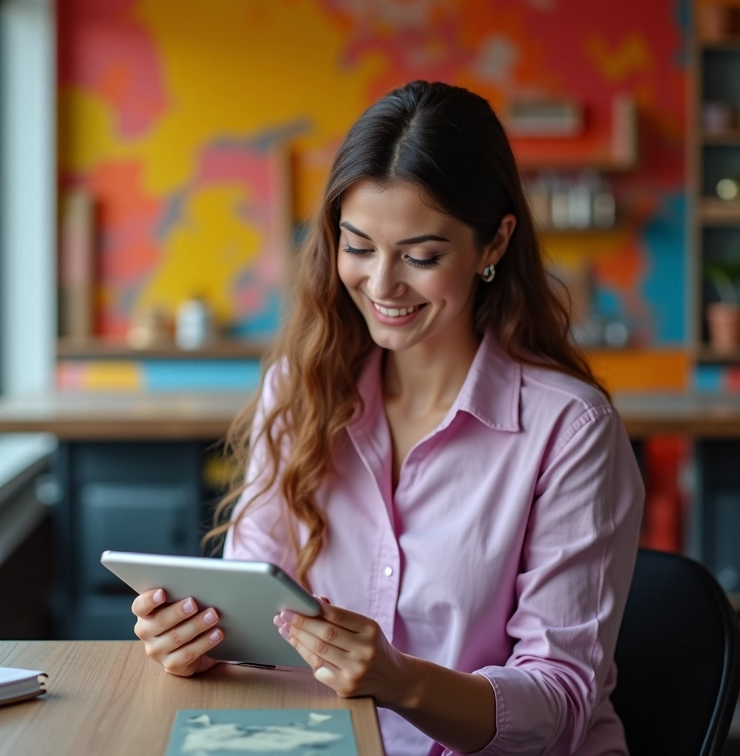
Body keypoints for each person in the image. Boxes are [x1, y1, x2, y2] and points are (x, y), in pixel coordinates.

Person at [132, 80, 644, 756]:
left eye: (421, 256)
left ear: (493, 244)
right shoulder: (300, 390)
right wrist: (200, 642)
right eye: (359, 246)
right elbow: (255, 619)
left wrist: (401, 682)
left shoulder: (570, 430)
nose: (381, 285)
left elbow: (558, 704)